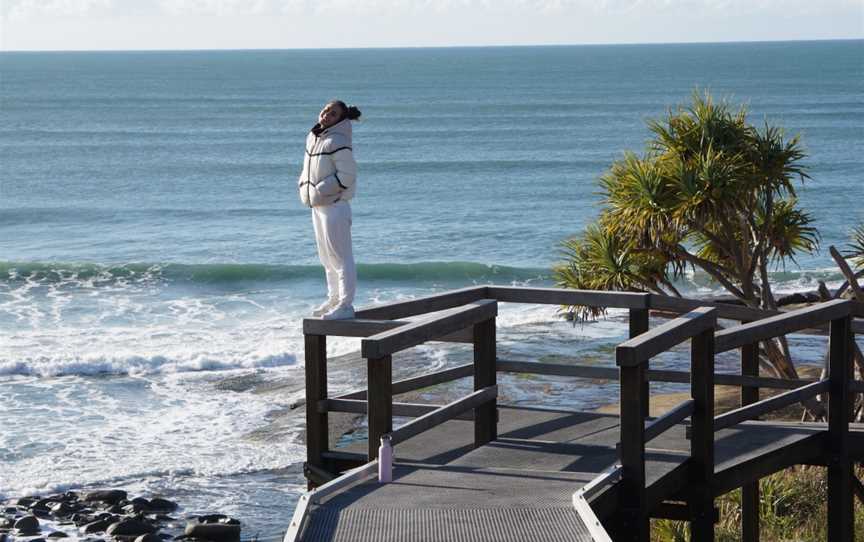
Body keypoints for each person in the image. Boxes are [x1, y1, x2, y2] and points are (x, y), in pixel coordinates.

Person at [298, 100, 361, 320]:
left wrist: (320, 189)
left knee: (341, 257)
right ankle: (333, 299)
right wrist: (304, 187)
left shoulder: (338, 140)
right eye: (325, 110)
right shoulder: (314, 137)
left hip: (335, 206)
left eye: (333, 114)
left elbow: (348, 175)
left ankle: (346, 305)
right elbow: (308, 170)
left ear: (340, 120)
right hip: (318, 205)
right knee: (326, 258)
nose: (326, 115)